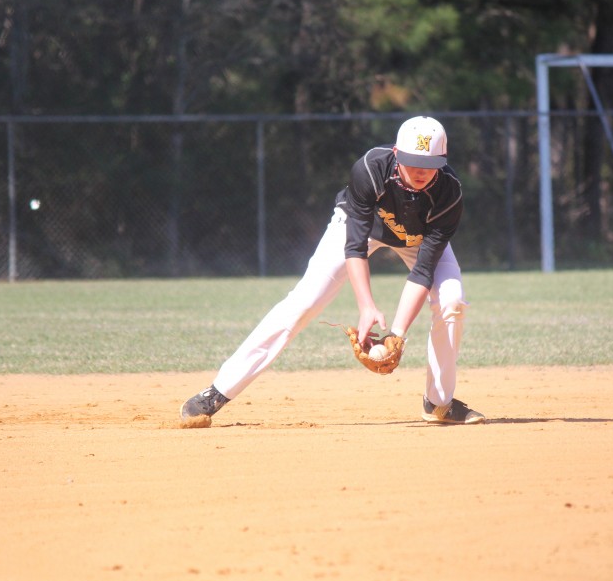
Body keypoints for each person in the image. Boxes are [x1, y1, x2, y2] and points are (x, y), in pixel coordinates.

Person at [180, 116, 484, 425]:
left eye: (429, 163)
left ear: (443, 161)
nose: (420, 171)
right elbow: (354, 247)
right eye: (412, 161)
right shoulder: (370, 169)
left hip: (417, 238)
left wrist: (397, 333)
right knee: (305, 301)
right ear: (395, 153)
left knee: (452, 301)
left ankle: (438, 403)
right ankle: (219, 390)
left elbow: (422, 271)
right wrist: (366, 307)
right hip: (360, 231)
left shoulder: (449, 193)